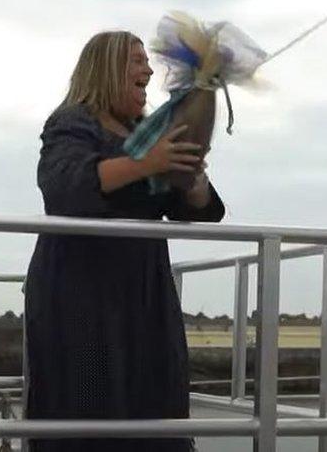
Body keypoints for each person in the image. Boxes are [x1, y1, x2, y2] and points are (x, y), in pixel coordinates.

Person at [24, 31, 226, 451]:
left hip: (143, 287)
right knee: (86, 398)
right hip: (81, 289)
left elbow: (196, 210)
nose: (148, 70)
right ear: (107, 69)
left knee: (155, 397)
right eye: (137, 61)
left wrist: (192, 179)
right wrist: (145, 163)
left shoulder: (151, 130)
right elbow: (63, 187)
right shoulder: (71, 121)